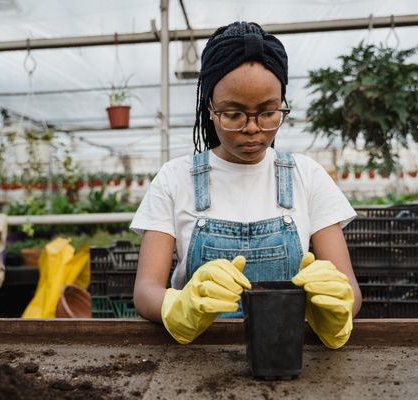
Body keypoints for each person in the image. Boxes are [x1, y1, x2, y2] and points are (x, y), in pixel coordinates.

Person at [131, 21, 361, 349]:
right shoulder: (175, 178)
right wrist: (178, 305)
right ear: (209, 107)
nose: (252, 128)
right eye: (233, 114)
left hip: (285, 353)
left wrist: (335, 308)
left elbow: (350, 289)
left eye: (268, 112)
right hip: (199, 359)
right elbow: (145, 290)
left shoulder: (306, 176)